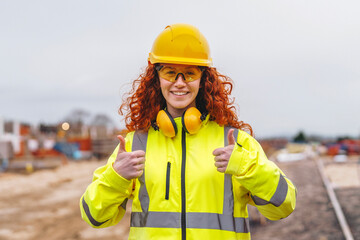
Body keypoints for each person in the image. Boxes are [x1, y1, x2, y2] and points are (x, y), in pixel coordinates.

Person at [80, 23, 297, 240]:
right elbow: (93, 216)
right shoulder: (134, 144)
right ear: (156, 77)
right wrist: (116, 178)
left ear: (204, 79)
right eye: (170, 72)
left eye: (189, 73)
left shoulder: (234, 142)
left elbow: (283, 206)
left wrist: (247, 167)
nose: (180, 83)